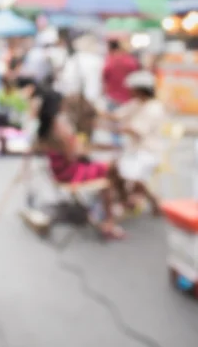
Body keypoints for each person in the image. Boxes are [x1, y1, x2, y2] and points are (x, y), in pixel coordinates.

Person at [36, 90, 125, 239]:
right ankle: (108, 220)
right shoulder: (60, 128)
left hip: (59, 172)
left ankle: (108, 208)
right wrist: (77, 145)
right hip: (70, 173)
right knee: (109, 171)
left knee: (106, 168)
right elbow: (73, 156)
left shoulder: (45, 127)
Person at [101, 70, 166, 215]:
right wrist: (98, 113)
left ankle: (149, 200)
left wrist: (116, 128)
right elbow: (117, 116)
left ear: (140, 90)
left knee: (122, 172)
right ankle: (129, 200)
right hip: (135, 150)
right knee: (116, 169)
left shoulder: (154, 108)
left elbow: (136, 130)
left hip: (148, 152)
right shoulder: (137, 103)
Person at [102, 39, 139, 110]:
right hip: (128, 97)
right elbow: (136, 77)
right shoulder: (130, 60)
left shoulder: (109, 60)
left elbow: (104, 77)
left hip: (113, 97)